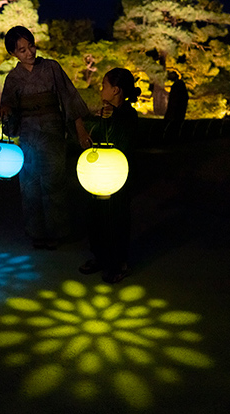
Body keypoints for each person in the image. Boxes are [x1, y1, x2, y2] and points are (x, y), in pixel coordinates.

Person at [0, 26, 92, 250]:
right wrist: (6, 111)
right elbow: (7, 109)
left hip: (52, 132)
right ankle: (36, 232)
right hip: (28, 136)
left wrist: (80, 130)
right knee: (30, 184)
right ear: (13, 54)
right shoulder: (13, 78)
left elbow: (69, 98)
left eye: (30, 45)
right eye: (21, 50)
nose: (29, 52)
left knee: (55, 182)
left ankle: (58, 231)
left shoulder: (51, 67)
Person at [79, 68, 140, 284]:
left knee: (117, 220)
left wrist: (112, 118)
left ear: (116, 90)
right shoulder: (106, 112)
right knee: (96, 217)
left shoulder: (128, 115)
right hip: (100, 177)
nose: (101, 89)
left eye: (104, 85)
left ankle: (118, 263)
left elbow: (124, 143)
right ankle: (100, 257)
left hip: (117, 177)